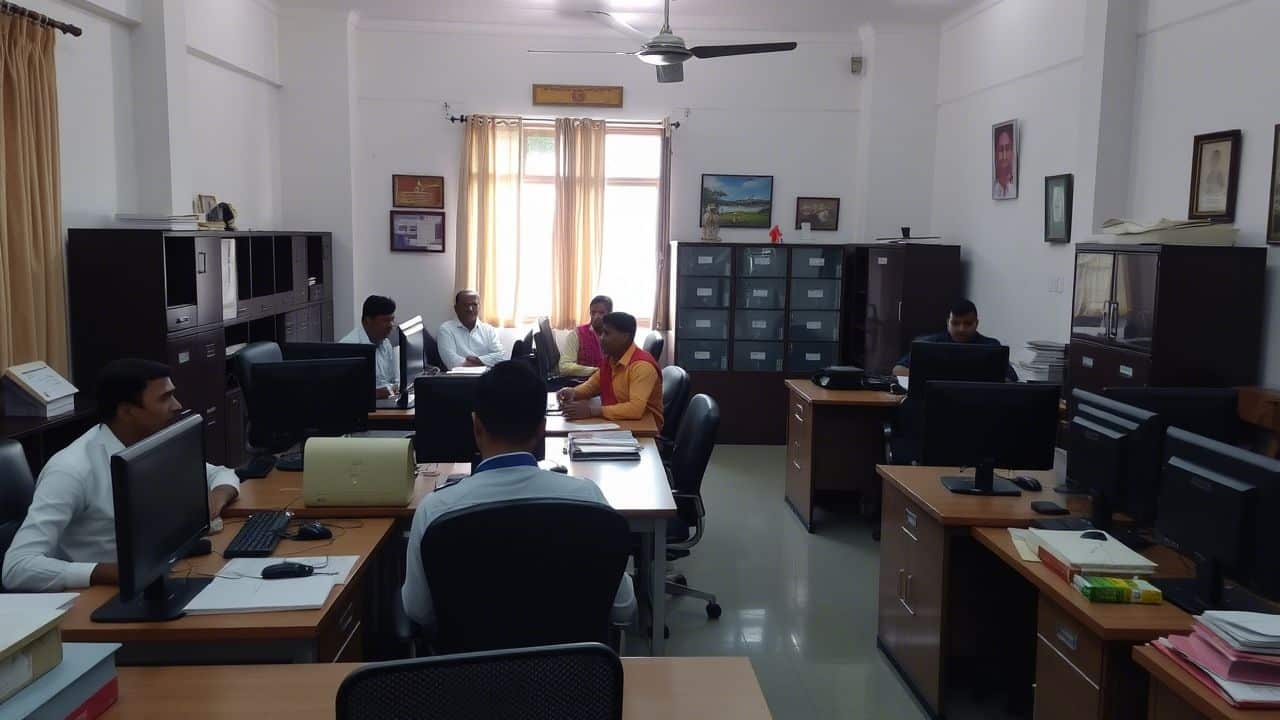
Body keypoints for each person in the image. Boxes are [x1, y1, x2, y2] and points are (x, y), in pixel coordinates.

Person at [401, 361, 635, 629]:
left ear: (476, 426)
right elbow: (623, 609)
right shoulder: (588, 500)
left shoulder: (435, 510)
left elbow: (418, 611)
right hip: (571, 656)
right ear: (542, 428)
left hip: (470, 656)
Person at [2, 359, 240, 592]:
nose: (177, 405)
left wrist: (215, 499)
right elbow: (17, 567)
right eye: (165, 398)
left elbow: (221, 474)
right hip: (101, 596)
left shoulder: (155, 444)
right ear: (127, 411)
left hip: (163, 575)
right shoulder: (71, 470)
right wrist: (120, 573)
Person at [556, 312, 663, 430]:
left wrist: (592, 411)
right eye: (601, 333)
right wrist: (573, 392)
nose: (601, 338)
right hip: (620, 423)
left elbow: (635, 409)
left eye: (606, 333)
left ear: (625, 337)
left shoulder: (642, 366)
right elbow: (592, 386)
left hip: (645, 430)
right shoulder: (612, 359)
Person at [892, 298, 1018, 381]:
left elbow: (1011, 378)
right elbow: (898, 369)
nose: (961, 329)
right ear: (948, 322)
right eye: (955, 323)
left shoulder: (991, 346)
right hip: (936, 399)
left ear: (977, 323)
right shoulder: (929, 343)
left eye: (968, 323)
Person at [340, 294, 399, 399]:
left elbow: (392, 381)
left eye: (392, 320)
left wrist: (393, 389)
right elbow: (344, 392)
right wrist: (375, 393)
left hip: (385, 402)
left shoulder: (385, 343)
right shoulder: (350, 347)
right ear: (368, 321)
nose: (391, 325)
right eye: (385, 321)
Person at [438, 290, 504, 369]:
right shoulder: (446, 329)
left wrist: (478, 360)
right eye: (465, 305)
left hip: (488, 375)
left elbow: (500, 356)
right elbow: (451, 363)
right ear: (456, 308)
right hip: (460, 376)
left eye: (474, 305)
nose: (470, 309)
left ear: (479, 307)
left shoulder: (489, 330)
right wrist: (486, 363)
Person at [558, 295, 612, 378]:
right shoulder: (577, 334)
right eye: (593, 313)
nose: (596, 317)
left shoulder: (616, 335)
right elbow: (564, 366)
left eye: (601, 313)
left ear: (610, 314)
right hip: (585, 381)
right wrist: (595, 371)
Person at [993, 126, 1016, 199]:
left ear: (1012, 152)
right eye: (1001, 149)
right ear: (996, 154)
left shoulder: (1015, 188)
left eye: (1008, 148)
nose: (1004, 156)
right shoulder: (994, 189)